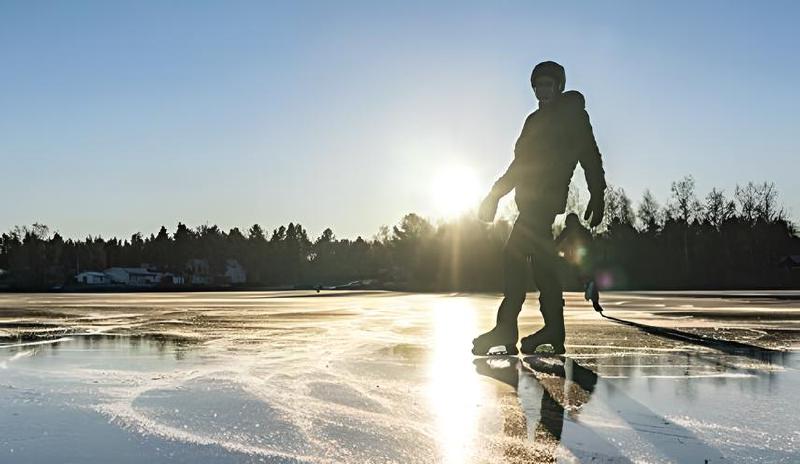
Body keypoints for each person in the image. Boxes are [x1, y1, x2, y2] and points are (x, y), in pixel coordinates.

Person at [473, 61, 606, 355]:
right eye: (537, 87)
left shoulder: (573, 117)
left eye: (547, 86)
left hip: (545, 201)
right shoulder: (533, 121)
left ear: (559, 87)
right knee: (544, 267)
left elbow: (590, 157)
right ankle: (554, 331)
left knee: (512, 254)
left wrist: (598, 192)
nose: (541, 92)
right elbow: (520, 166)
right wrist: (495, 195)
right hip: (529, 201)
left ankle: (507, 328)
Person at [555, 213, 602, 313]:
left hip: (583, 260)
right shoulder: (568, 230)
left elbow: (591, 246)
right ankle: (557, 299)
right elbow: (558, 240)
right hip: (572, 259)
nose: (568, 226)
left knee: (589, 278)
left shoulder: (583, 232)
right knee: (559, 275)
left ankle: (595, 301)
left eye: (569, 223)